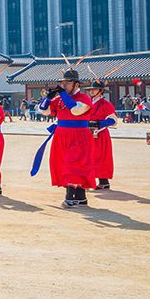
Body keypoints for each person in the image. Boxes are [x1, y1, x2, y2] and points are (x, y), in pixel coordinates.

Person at [34, 68, 95, 207]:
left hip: (79, 136)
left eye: (67, 83)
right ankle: (80, 197)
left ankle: (70, 196)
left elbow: (75, 109)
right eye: (63, 83)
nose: (63, 86)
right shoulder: (60, 99)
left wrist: (61, 94)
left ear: (76, 84)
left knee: (73, 165)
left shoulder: (84, 98)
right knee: (62, 164)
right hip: (61, 135)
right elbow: (43, 110)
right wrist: (49, 97)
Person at [86, 80, 118, 190]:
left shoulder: (106, 104)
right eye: (91, 89)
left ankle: (103, 180)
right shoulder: (88, 103)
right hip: (88, 134)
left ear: (100, 91)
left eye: (94, 89)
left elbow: (113, 120)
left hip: (100, 134)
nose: (91, 91)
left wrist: (99, 123)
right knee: (88, 157)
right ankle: (89, 180)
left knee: (101, 157)